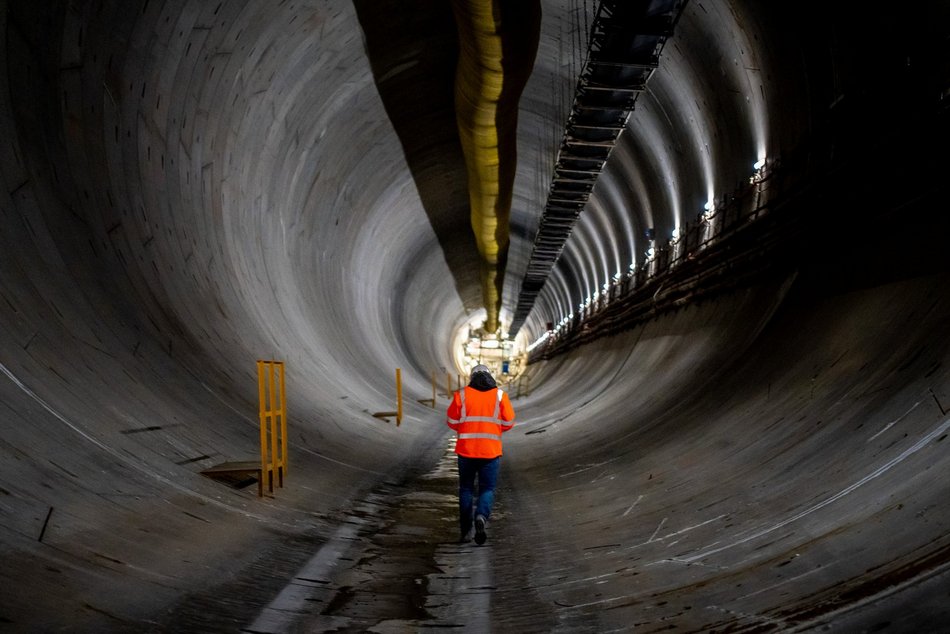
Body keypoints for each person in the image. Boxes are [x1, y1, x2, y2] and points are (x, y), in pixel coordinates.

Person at [446, 364, 516, 545]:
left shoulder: (461, 395)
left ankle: (466, 530)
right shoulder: (500, 396)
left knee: (466, 489)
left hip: (466, 450)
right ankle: (481, 517)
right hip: (490, 452)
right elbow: (509, 423)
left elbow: (452, 421)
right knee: (486, 489)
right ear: (489, 376)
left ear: (471, 377)